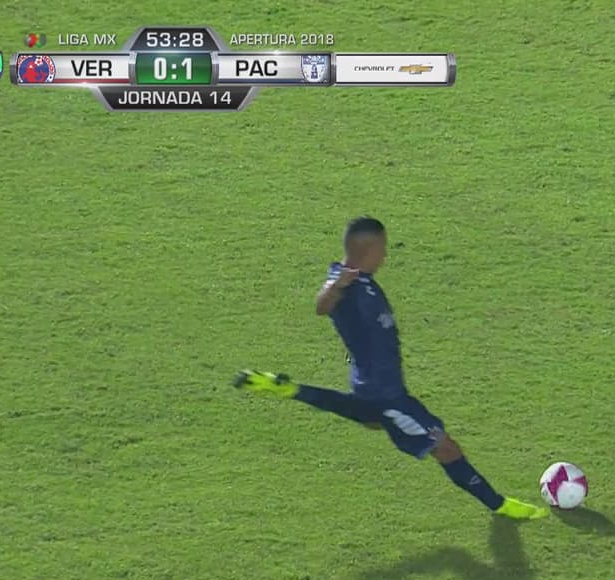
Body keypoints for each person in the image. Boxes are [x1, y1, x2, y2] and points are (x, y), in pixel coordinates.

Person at [234, 216, 548, 520]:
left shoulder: (359, 280)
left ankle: (291, 389)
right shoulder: (345, 282)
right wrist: (337, 287)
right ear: (368, 250)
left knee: (373, 419)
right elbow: (322, 304)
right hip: (386, 392)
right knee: (444, 446)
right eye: (382, 249)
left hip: (370, 380)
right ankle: (500, 506)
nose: (385, 256)